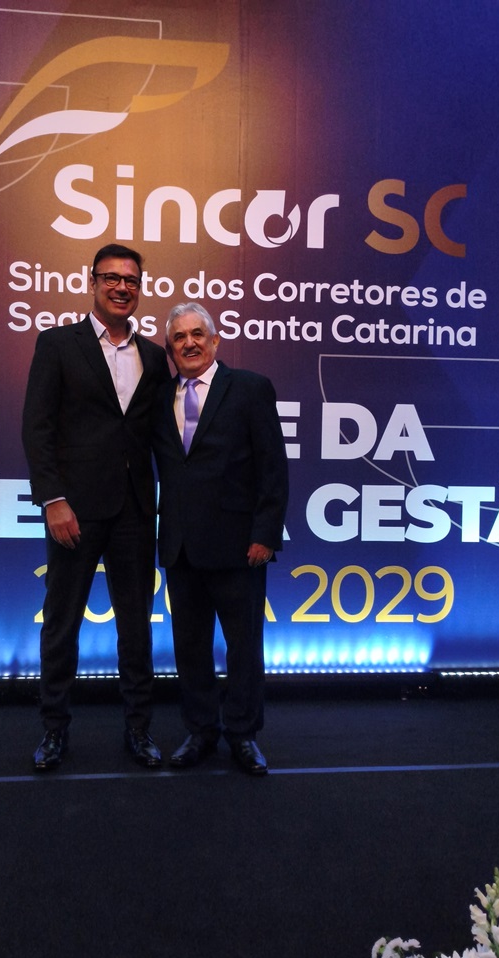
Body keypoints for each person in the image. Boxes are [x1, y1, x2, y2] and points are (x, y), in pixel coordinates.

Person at [22, 243, 171, 770]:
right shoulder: (58, 344)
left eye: (130, 280)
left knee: (136, 627)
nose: (121, 288)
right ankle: (54, 730)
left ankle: (139, 729)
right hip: (75, 511)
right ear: (92, 282)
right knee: (61, 624)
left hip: (135, 512)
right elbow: (37, 428)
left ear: (140, 289)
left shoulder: (154, 356)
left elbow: (160, 436)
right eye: (111, 278)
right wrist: (53, 499)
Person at [152, 302, 288, 775]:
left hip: (239, 547)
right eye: (178, 338)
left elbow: (273, 468)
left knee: (243, 648)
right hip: (181, 546)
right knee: (190, 648)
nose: (188, 343)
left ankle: (243, 734)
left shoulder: (250, 388)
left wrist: (265, 534)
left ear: (214, 340)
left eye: (197, 334)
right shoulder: (159, 397)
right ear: (170, 350)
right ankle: (201, 730)